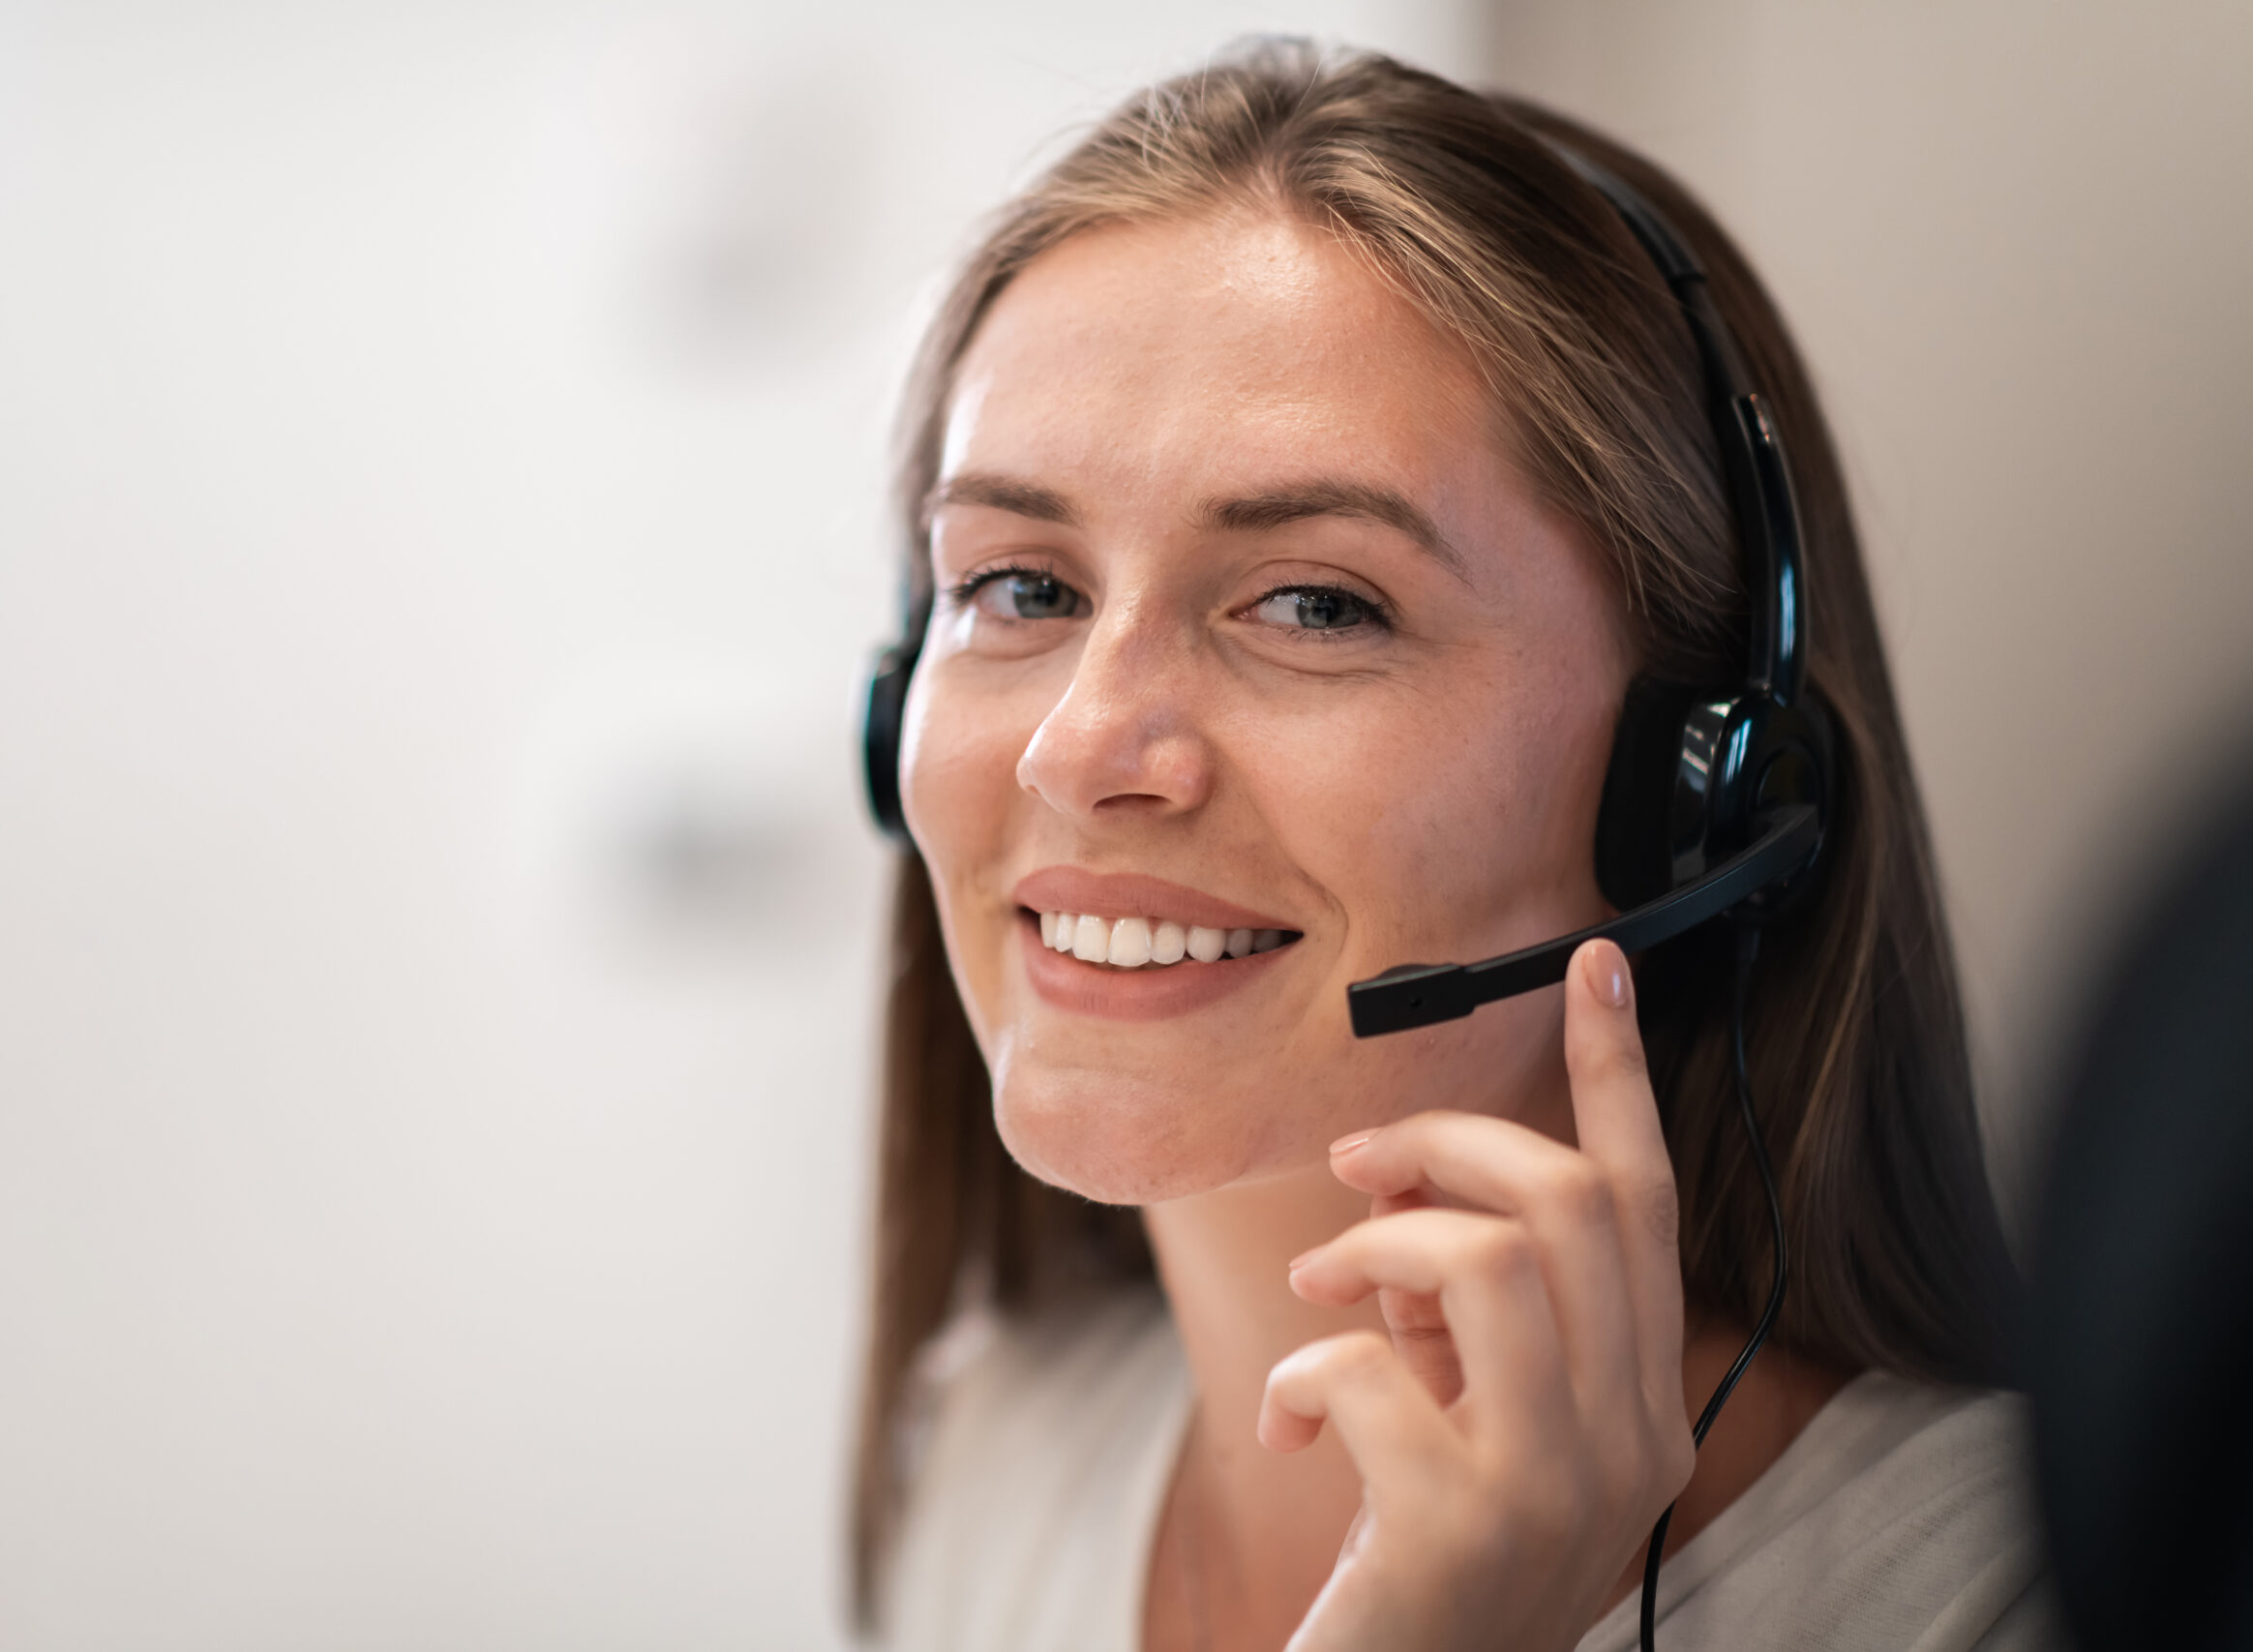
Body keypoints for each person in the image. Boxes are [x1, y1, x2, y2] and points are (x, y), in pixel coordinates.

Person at [852, 41, 2048, 1652]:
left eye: (1315, 603)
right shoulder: (1000, 1456)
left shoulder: (2012, 1591)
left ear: (1698, 785)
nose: (1079, 748)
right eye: (1021, 587)